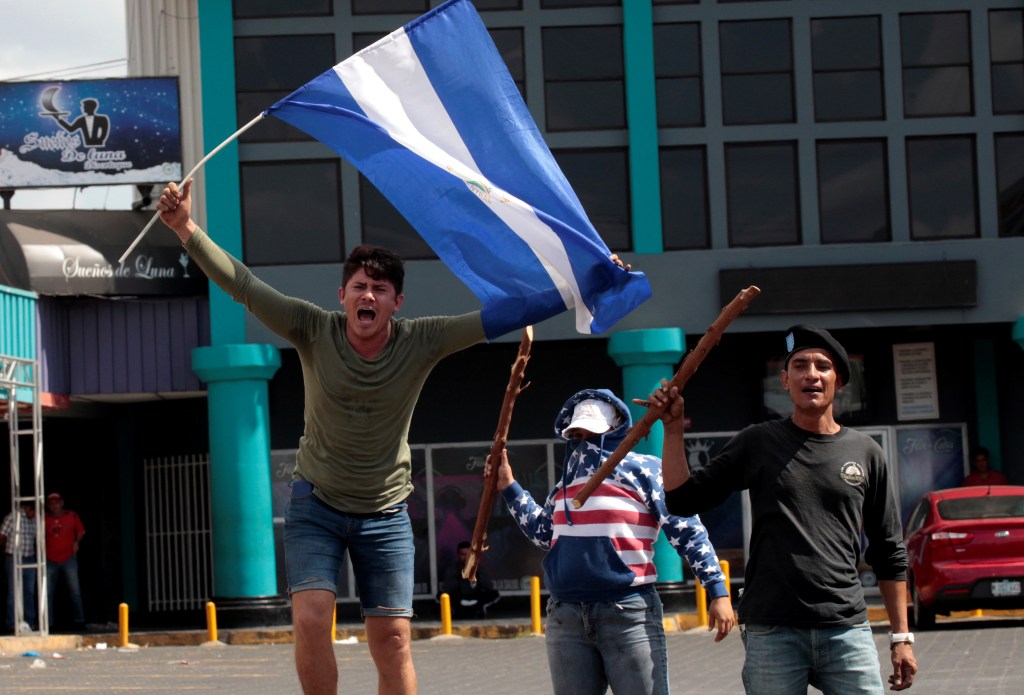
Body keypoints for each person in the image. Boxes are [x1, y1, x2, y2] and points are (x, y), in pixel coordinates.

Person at [156, 180, 631, 694]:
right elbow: (244, 285)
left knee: (394, 639)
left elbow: (503, 315)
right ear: (342, 296)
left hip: (384, 514)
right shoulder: (312, 328)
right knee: (312, 618)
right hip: (316, 505)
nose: (368, 295)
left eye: (379, 289)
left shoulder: (420, 340)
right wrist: (185, 228)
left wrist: (585, 284)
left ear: (396, 302)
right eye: (359, 286)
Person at [657, 324, 918, 693]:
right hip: (772, 631)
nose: (811, 374)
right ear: (784, 380)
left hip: (846, 629)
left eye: (823, 366)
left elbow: (889, 551)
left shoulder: (866, 452)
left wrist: (901, 637)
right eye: (800, 366)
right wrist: (672, 430)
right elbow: (683, 500)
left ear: (839, 381)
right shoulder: (757, 442)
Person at [488, 388, 736, 695]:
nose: (583, 441)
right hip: (565, 616)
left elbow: (686, 529)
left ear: (617, 429)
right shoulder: (565, 486)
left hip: (627, 612)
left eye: (592, 433)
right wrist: (509, 487)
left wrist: (717, 590)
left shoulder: (644, 470)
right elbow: (543, 533)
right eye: (576, 434)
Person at [44, 492, 86, 631]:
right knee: (47, 592)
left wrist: (76, 542)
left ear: (62, 503)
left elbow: (81, 531)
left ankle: (79, 621)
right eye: (51, 504)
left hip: (69, 558)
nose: (54, 506)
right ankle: (48, 623)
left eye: (57, 503)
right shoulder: (44, 518)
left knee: (75, 591)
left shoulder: (71, 516)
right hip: (50, 559)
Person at [437, 540, 501, 619]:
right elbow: (447, 588)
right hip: (459, 599)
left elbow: (489, 586)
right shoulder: (452, 569)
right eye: (463, 554)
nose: (466, 557)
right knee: (440, 596)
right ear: (458, 555)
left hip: (476, 598)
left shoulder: (479, 568)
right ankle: (455, 610)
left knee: (495, 594)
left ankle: (480, 609)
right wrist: (460, 578)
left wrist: (477, 578)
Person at [1, 500, 38, 633]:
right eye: (34, 512)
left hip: (29, 557)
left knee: (29, 591)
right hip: (13, 557)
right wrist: (5, 552)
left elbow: (35, 538)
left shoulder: (34, 519)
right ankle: (12, 623)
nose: (35, 515)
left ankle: (30, 622)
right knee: (14, 592)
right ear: (27, 508)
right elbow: (2, 535)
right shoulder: (13, 517)